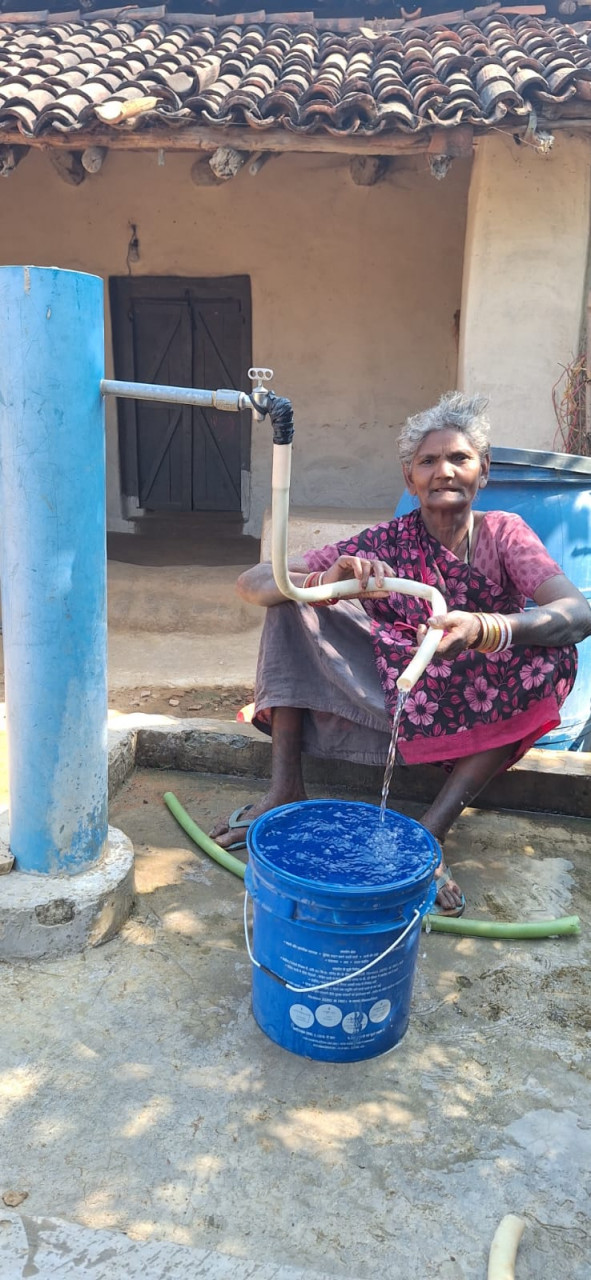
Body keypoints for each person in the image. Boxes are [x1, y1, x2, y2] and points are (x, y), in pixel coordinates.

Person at [211, 392, 591, 915]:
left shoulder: (505, 534)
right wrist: (325, 580)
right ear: (409, 478)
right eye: (428, 461)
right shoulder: (387, 540)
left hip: (477, 688)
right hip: (398, 682)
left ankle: (430, 833)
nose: (444, 471)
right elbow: (253, 582)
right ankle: (285, 789)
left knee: (554, 657)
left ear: (484, 470)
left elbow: (576, 613)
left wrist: (485, 628)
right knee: (289, 604)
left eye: (459, 458)